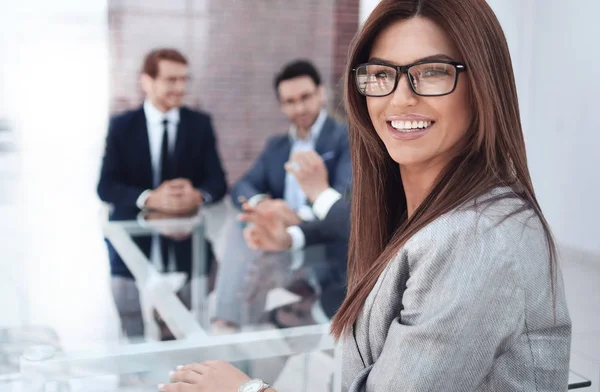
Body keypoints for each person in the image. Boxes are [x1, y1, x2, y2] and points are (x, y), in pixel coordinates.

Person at [158, 0, 571, 390]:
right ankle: (224, 321)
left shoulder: (476, 239)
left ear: (482, 84)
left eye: (431, 71)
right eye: (381, 74)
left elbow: (338, 211)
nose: (400, 97)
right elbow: (250, 187)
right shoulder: (393, 201)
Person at [211, 60, 352, 332]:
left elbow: (346, 195)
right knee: (245, 223)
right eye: (290, 101)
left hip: (325, 242)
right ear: (281, 105)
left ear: (320, 93)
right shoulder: (276, 147)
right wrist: (263, 205)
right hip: (281, 239)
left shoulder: (345, 138)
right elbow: (243, 185)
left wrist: (298, 216)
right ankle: (231, 321)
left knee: (250, 234)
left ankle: (236, 321)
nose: (299, 108)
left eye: (305, 97)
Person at [97, 48, 227, 340]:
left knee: (193, 303)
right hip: (132, 236)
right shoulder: (122, 127)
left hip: (186, 238)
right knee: (128, 310)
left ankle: (171, 337)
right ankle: (136, 368)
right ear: (147, 81)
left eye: (184, 80)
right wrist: (149, 198)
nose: (180, 88)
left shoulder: (199, 124)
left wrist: (197, 196)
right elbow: (105, 186)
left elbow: (217, 182)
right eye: (171, 80)